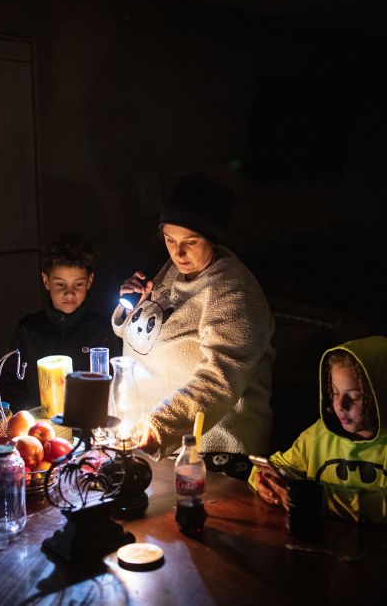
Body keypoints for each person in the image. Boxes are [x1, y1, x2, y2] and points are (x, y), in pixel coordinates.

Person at [113, 171, 275, 479]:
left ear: (212, 237)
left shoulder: (232, 292)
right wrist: (130, 309)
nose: (178, 252)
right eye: (170, 240)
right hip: (152, 448)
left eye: (190, 241)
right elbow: (149, 337)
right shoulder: (173, 271)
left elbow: (218, 380)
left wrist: (158, 428)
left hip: (211, 458)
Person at [250, 336, 387, 533]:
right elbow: (281, 466)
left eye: (354, 396)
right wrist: (265, 482)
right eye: (335, 393)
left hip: (383, 552)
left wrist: (320, 500)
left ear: (383, 396)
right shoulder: (320, 434)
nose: (340, 406)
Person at [8, 234, 119, 411]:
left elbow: (115, 384)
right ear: (46, 281)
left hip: (88, 425)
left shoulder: (103, 329)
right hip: (40, 429)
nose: (69, 294)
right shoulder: (28, 329)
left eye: (78, 285)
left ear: (89, 281)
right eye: (61, 285)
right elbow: (12, 384)